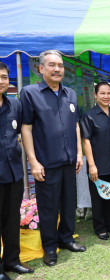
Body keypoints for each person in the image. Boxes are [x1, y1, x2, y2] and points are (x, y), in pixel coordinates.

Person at [20, 50, 86, 267]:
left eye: (60, 65)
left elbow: (75, 126)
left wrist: (78, 153)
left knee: (69, 203)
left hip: (69, 161)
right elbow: (26, 129)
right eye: (52, 65)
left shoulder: (71, 94)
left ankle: (66, 239)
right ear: (41, 69)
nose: (57, 69)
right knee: (48, 207)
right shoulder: (30, 93)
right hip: (46, 162)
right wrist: (33, 161)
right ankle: (50, 247)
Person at [0, 62, 34, 279]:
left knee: (11, 219)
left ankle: (12, 261)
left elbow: (24, 132)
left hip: (13, 172)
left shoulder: (15, 105)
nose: (0, 81)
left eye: (3, 77)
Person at [80, 82, 110, 240]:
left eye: (109, 93)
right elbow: (86, 142)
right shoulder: (89, 115)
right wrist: (91, 165)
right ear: (95, 95)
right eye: (102, 93)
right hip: (97, 165)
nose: (106, 96)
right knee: (98, 199)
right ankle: (100, 227)